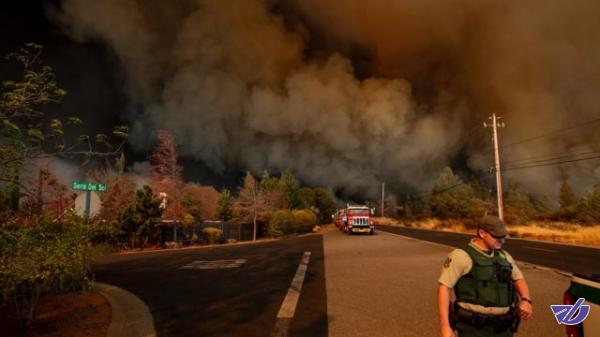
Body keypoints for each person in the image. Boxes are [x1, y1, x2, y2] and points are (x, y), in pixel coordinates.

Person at [437, 215, 533, 337]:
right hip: (474, 328)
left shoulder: (504, 256)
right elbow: (444, 288)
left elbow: (518, 278)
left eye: (503, 237)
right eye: (497, 237)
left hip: (503, 327)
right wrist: (445, 326)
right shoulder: (461, 256)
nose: (502, 241)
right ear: (482, 233)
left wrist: (526, 300)